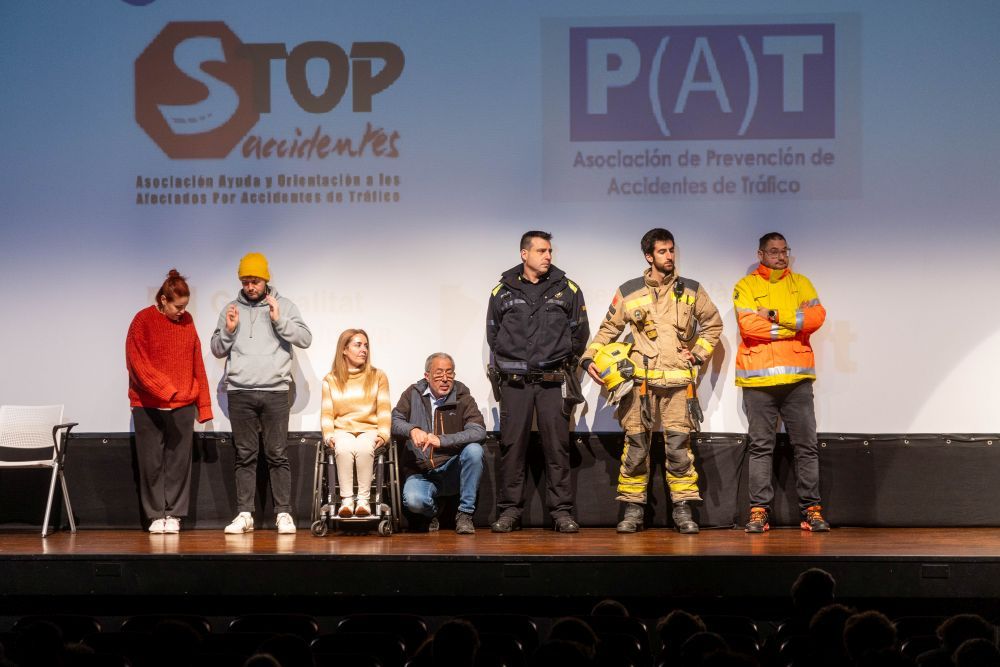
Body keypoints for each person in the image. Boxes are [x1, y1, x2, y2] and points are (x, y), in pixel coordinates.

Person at [581, 228, 723, 534]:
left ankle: (683, 509)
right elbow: (608, 330)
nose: (670, 256)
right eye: (662, 251)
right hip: (639, 385)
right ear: (649, 256)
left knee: (678, 448)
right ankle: (633, 510)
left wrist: (697, 354)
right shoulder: (629, 291)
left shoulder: (691, 290)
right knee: (636, 448)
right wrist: (589, 357)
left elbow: (713, 324)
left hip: (678, 386)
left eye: (672, 250)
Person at [486, 231, 590, 533]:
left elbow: (578, 335)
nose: (548, 256)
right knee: (511, 448)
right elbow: (494, 336)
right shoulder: (501, 291)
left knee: (557, 449)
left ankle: (561, 513)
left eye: (550, 251)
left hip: (552, 382)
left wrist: (555, 359)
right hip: (514, 384)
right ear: (524, 254)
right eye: (542, 251)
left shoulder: (567, 289)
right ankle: (509, 512)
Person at [734, 233, 829, 533]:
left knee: (806, 446)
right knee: (761, 447)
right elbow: (748, 326)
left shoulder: (801, 283)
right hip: (758, 382)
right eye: (773, 251)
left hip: (797, 382)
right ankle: (759, 512)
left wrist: (775, 315)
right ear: (760, 254)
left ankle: (811, 510)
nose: (780, 255)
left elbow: (816, 318)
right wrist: (791, 328)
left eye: (784, 250)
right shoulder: (746, 285)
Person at [211, 252, 312, 534]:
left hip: (275, 391)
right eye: (245, 281)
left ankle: (283, 513)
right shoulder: (230, 308)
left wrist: (280, 321)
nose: (250, 287)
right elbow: (217, 348)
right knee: (245, 455)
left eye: (254, 281)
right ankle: (244, 514)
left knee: (277, 453)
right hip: (240, 391)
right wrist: (229, 331)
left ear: (265, 280)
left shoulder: (284, 306)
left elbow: (305, 339)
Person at [126, 269, 213, 533]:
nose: (182, 311)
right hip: (148, 406)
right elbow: (136, 364)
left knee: (178, 464)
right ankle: (155, 516)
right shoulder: (142, 320)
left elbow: (197, 362)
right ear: (163, 300)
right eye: (178, 306)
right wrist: (166, 390)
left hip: (183, 405)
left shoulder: (188, 322)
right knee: (151, 463)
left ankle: (174, 514)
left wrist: (204, 405)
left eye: (185, 306)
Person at [392, 352, 485, 534]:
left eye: (449, 373)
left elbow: (479, 431)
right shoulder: (413, 393)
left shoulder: (462, 396)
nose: (445, 379)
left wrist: (441, 440)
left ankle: (465, 514)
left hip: (452, 468)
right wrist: (412, 429)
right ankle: (433, 513)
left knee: (474, 451)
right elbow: (394, 421)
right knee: (413, 500)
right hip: (421, 470)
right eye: (439, 373)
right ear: (427, 376)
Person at [320, 329, 391, 518]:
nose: (364, 350)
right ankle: (346, 501)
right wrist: (328, 435)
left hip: (369, 429)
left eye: (366, 345)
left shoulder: (378, 376)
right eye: (358, 345)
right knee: (343, 448)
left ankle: (364, 502)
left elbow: (384, 410)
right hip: (342, 429)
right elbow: (327, 413)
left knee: (363, 449)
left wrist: (383, 435)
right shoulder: (331, 379)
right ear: (344, 349)